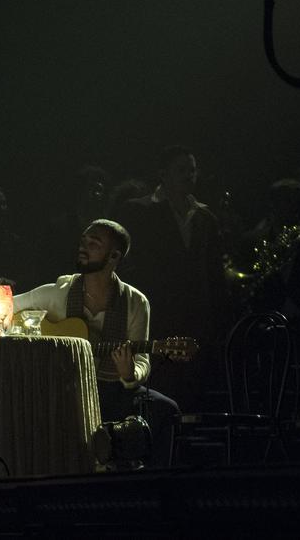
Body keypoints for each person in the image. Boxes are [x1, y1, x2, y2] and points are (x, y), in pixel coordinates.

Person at [13, 219, 179, 468]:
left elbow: (142, 359)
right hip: (66, 389)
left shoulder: (135, 302)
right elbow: (6, 308)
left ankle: (153, 489)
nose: (84, 246)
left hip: (114, 388)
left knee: (167, 409)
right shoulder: (58, 292)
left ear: (113, 257)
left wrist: (130, 373)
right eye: (84, 240)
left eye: (94, 243)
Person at [118, 145, 229, 412]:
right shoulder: (139, 212)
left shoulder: (205, 217)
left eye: (192, 170)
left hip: (196, 317)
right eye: (182, 170)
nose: (189, 176)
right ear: (163, 174)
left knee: (193, 388)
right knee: (159, 385)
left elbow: (213, 271)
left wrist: (217, 316)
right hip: (157, 313)